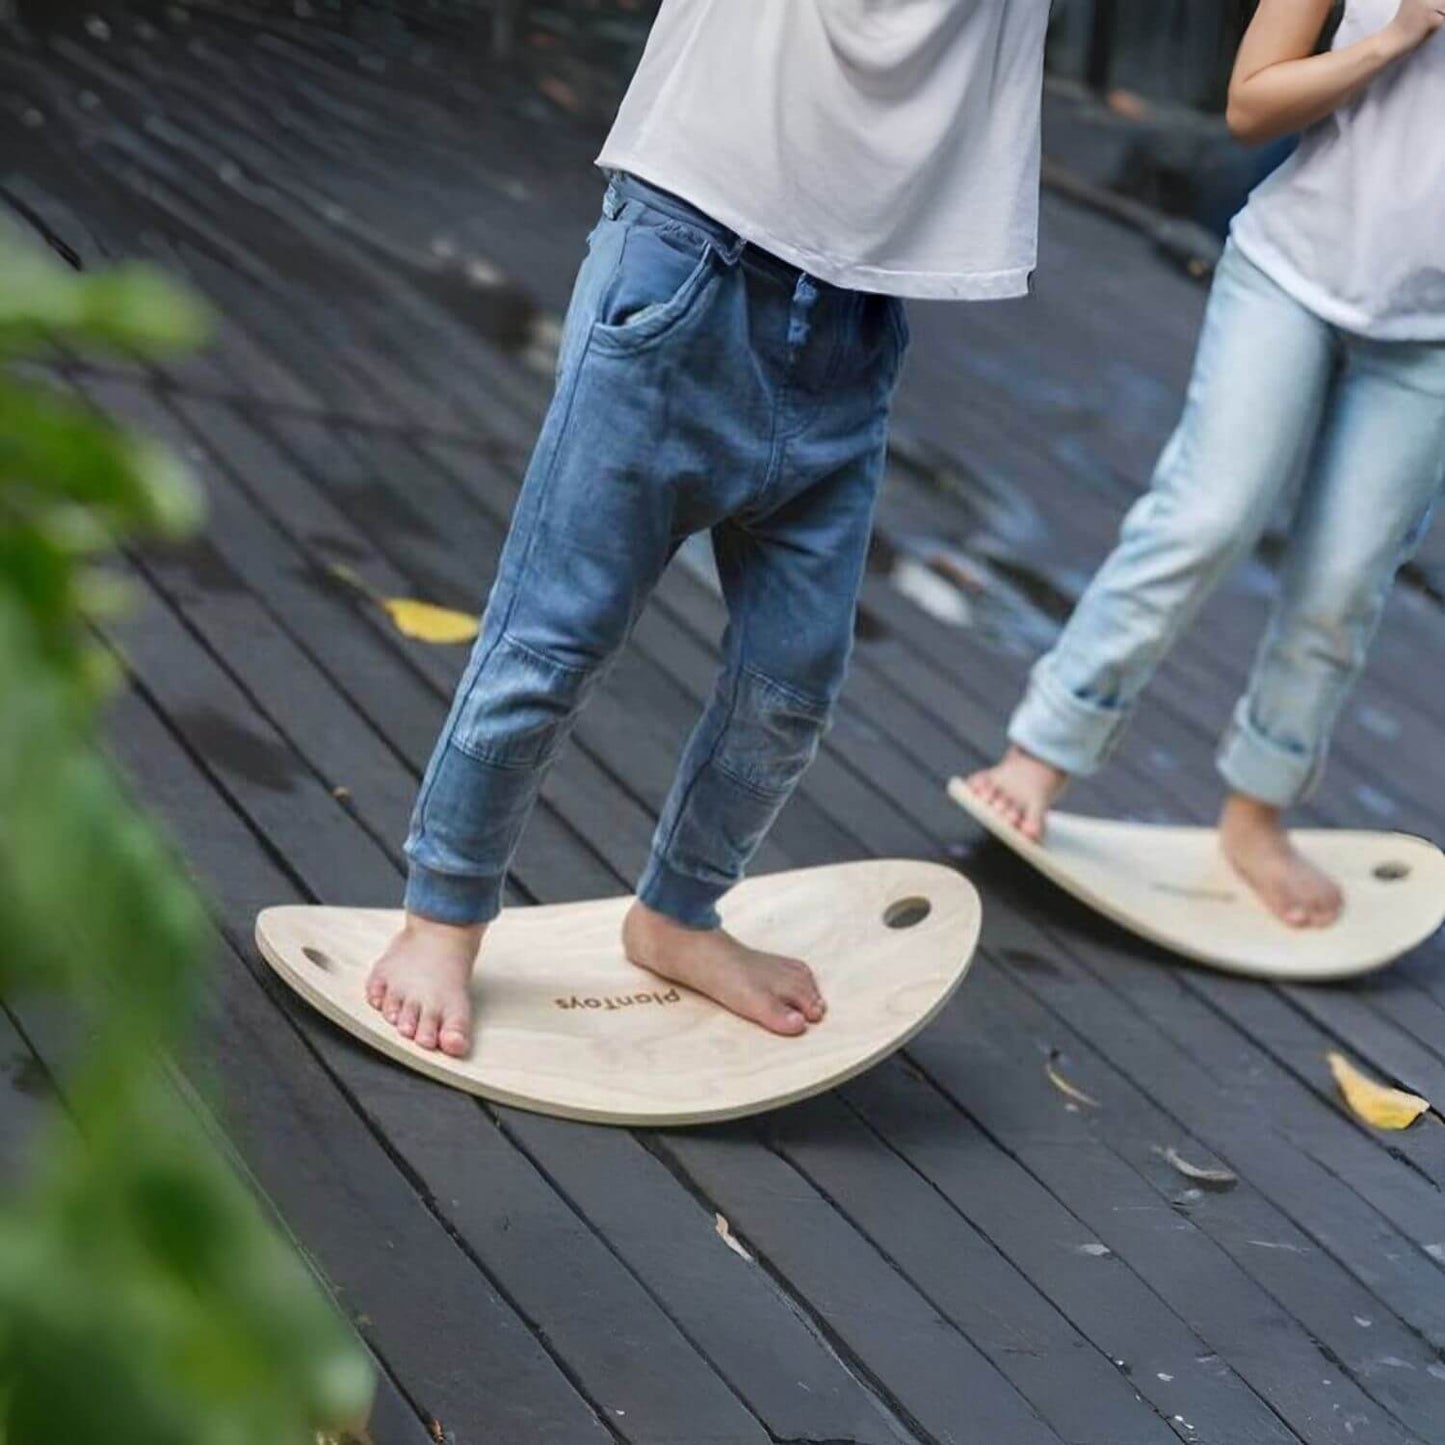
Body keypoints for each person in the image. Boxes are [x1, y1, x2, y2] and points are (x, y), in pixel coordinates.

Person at [367, 0, 1054, 1056]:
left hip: (854, 325)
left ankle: (678, 912)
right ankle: (443, 911)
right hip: (691, 258)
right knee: (556, 633)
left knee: (793, 678)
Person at [968, 0, 1445, 929]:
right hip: (1290, 272)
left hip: (1430, 338)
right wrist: (1395, 36)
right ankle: (1042, 748)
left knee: (1342, 580)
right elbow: (1250, 105)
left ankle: (1256, 812)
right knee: (1207, 515)